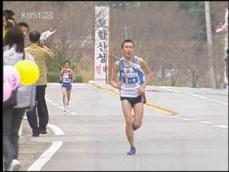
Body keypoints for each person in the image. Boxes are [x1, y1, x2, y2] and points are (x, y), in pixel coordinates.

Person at [109, 39, 153, 155]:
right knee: (128, 120)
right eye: (126, 47)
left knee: (137, 124)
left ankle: (132, 127)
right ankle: (132, 146)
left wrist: (143, 86)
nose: (129, 49)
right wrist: (116, 85)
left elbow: (149, 73)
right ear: (122, 50)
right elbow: (111, 80)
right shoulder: (119, 64)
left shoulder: (139, 61)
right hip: (125, 94)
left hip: (138, 94)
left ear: (133, 49)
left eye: (131, 47)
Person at [3, 26, 36, 171]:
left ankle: (10, 159)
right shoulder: (28, 57)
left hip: (6, 97)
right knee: (14, 132)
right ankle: (13, 160)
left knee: (4, 132)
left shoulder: (4, 56)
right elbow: (32, 81)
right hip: (22, 99)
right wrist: (31, 102)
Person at [25, 31, 55, 136]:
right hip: (41, 82)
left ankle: (35, 129)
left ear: (29, 39)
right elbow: (52, 56)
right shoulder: (42, 51)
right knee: (41, 104)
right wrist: (44, 46)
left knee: (30, 106)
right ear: (38, 39)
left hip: (29, 82)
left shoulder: (24, 51)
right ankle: (42, 127)